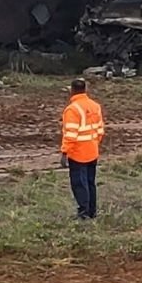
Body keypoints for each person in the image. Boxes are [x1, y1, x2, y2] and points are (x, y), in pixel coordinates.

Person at [61, 78, 106, 220]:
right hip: (92, 150)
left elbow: (71, 134)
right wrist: (94, 143)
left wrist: (64, 152)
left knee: (79, 184)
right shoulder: (95, 106)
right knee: (90, 182)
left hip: (78, 153)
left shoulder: (72, 109)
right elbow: (100, 130)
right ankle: (92, 211)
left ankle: (83, 213)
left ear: (72, 90)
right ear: (85, 89)